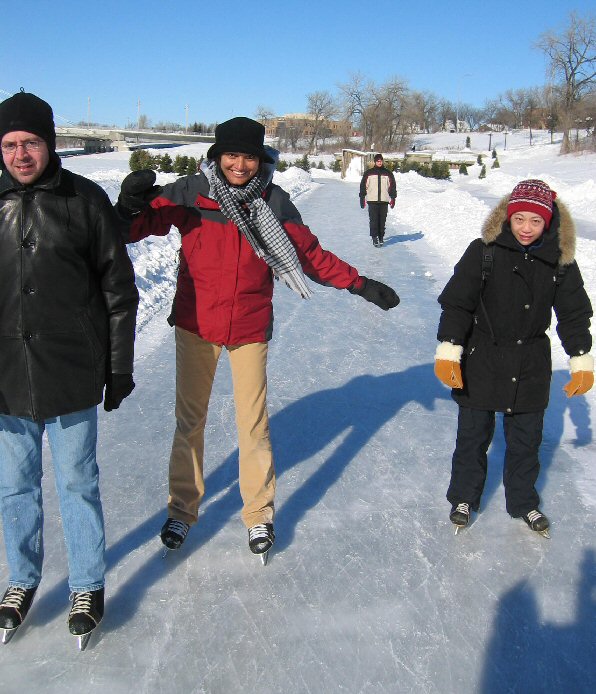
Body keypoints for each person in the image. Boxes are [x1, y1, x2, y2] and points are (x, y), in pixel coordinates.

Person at [117, 117, 399, 560]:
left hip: (249, 326)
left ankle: (259, 513)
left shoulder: (273, 201)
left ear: (260, 160)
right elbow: (139, 227)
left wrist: (360, 284)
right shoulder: (191, 192)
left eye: (249, 156)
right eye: (231, 154)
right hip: (196, 323)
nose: (240, 164)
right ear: (217, 156)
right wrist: (130, 207)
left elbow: (309, 256)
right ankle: (182, 507)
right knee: (189, 421)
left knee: (253, 424)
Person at [0, 90, 139, 646]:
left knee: (77, 482)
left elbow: (118, 288)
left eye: (30, 142)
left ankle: (87, 583)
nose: (20, 154)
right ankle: (22, 578)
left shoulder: (84, 199)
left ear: (50, 143)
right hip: (8, 369)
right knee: (14, 485)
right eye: (9, 144)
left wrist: (119, 367)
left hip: (71, 367)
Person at [434, 179, 593, 537]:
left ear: (548, 223)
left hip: (531, 363)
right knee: (473, 437)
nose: (526, 228)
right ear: (508, 216)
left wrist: (580, 356)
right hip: (482, 359)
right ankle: (463, 496)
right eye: (519, 218)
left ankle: (524, 502)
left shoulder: (560, 262)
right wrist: (449, 348)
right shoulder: (484, 251)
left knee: (526, 441)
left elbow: (573, 313)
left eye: (535, 222)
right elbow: (458, 303)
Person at [359, 153, 396, 247]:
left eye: (381, 161)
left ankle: (381, 237)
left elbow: (392, 186)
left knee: (382, 220)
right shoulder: (369, 173)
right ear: (375, 162)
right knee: (374, 220)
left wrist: (393, 198)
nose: (379, 162)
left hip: (384, 200)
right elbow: (363, 185)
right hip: (372, 200)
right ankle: (374, 237)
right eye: (378, 161)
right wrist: (362, 197)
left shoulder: (387, 173)